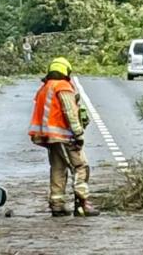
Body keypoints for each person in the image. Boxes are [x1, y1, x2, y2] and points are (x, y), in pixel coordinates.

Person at [28, 57, 99, 217]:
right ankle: (82, 204)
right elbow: (70, 112)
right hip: (64, 137)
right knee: (81, 167)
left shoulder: (45, 88)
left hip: (49, 137)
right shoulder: (63, 87)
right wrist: (78, 133)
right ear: (66, 71)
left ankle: (57, 204)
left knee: (58, 169)